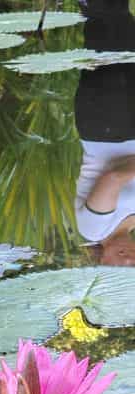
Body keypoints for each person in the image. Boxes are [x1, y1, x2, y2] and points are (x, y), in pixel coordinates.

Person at [74, 0, 135, 263]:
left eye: (121, 268)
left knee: (104, 30)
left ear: (103, 263)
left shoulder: (94, 230)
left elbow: (114, 177)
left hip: (104, 126)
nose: (128, 261)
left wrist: (127, 169)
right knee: (124, 28)